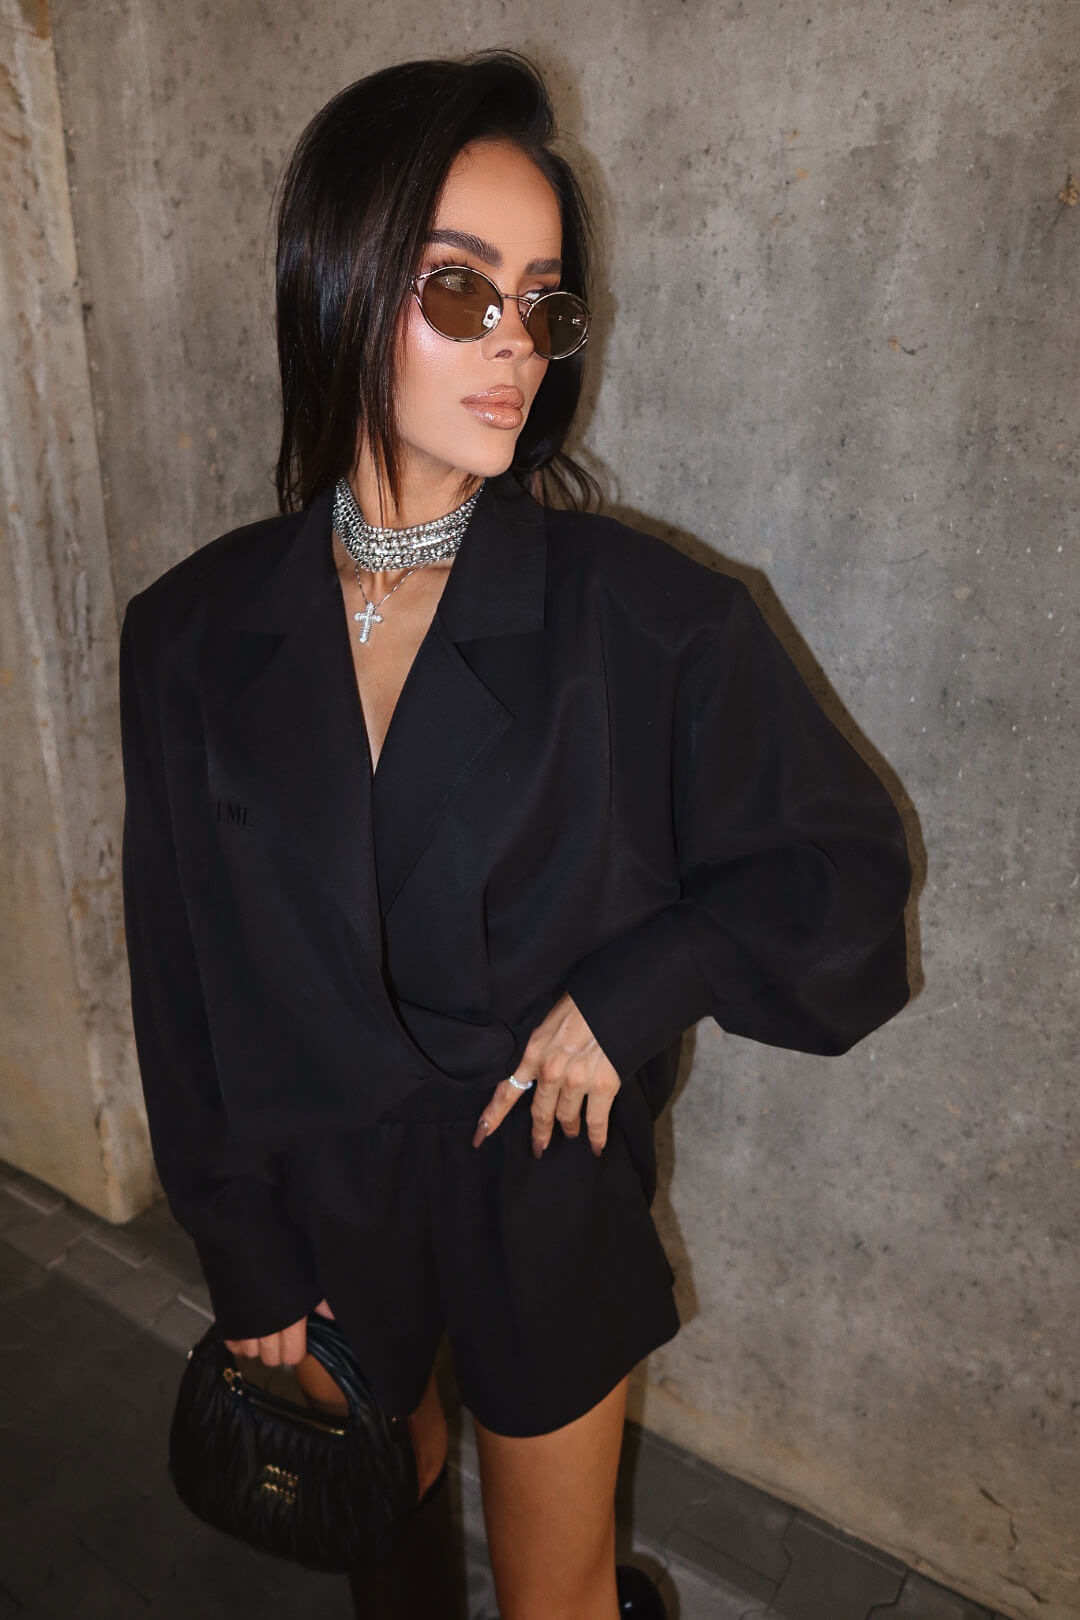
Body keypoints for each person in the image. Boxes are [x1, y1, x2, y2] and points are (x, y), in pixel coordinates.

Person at [118, 48, 912, 1620]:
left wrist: (637, 987)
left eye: (544, 305)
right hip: (319, 1197)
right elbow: (178, 963)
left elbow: (845, 879)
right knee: (385, 1553)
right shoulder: (191, 631)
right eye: (461, 290)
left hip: (538, 1189)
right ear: (339, 285)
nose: (517, 347)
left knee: (559, 1600)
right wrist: (239, 1241)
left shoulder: (650, 622)